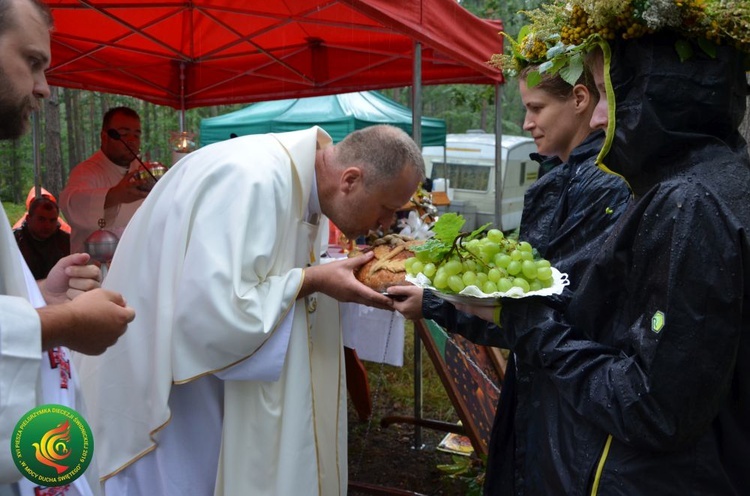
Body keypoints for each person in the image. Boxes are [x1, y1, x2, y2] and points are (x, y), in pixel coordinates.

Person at [446, 2, 750, 494]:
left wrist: (529, 323)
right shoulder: (702, 183)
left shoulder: (689, 204)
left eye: (610, 92)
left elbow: (652, 408)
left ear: (661, 94)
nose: (598, 117)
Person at [75, 124, 425, 495]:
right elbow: (212, 312)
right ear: (350, 180)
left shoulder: (308, 185)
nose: (387, 224)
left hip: (210, 380)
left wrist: (315, 278)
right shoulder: (251, 180)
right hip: (165, 390)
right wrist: (314, 281)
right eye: (387, 209)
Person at [388, 61, 631, 494]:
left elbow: (543, 314)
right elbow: (523, 307)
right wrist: (435, 302)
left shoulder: (603, 187)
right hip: (547, 395)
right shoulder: (567, 177)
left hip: (567, 407)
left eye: (536, 108)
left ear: (579, 100)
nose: (526, 123)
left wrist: (440, 304)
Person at [0, 0, 135, 490]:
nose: (44, 87)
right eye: (33, 62)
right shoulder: (90, 174)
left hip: (92, 288)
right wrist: (68, 320)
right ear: (106, 134)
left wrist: (42, 294)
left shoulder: (132, 172)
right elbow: (83, 214)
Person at [60, 106, 148, 253]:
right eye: (124, 134)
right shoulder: (87, 171)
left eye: (136, 135)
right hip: (95, 268)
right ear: (105, 136)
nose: (132, 140)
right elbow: (71, 204)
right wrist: (114, 195)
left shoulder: (143, 171)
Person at [14, 195, 70, 279]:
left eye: (52, 220)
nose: (47, 226)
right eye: (41, 219)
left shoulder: (66, 241)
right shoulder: (14, 241)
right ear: (28, 219)